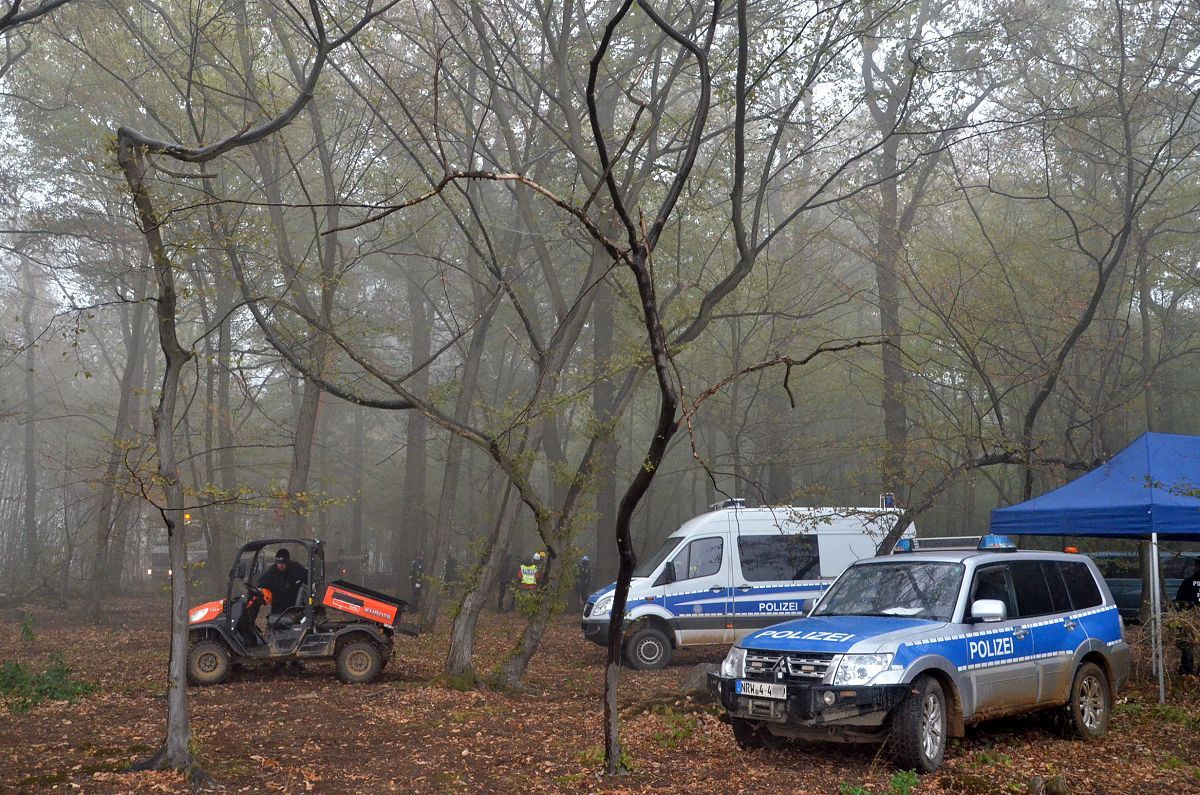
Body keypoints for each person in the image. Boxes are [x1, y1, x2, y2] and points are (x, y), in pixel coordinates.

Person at [257, 548, 307, 616]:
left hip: (294, 605)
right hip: (278, 606)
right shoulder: (271, 572)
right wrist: (262, 591)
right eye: (278, 563)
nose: (280, 566)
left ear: (287, 562)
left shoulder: (295, 568)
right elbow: (260, 584)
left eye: (283, 563)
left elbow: (308, 577)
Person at [1175, 557, 1200, 676]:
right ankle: (1188, 671)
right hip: (1191, 619)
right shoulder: (1187, 582)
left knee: (1187, 645)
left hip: (1189, 619)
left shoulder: (1188, 583)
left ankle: (1186, 671)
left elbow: (1179, 601)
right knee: (1188, 646)